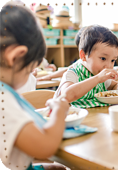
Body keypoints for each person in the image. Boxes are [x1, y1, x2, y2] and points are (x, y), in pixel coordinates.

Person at [0, 4, 69, 170]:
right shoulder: (3, 101)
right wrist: (59, 110)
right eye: (30, 70)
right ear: (16, 57)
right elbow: (46, 146)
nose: (29, 77)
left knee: (57, 168)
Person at [55, 25, 118, 108]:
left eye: (113, 60)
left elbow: (113, 85)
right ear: (83, 55)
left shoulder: (100, 75)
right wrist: (97, 79)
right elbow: (67, 96)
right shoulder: (72, 74)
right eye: (103, 58)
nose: (109, 66)